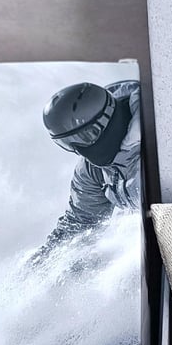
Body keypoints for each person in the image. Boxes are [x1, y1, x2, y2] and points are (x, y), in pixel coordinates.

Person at [32, 78, 141, 262]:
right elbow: (82, 221)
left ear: (107, 120)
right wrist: (42, 261)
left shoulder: (159, 145)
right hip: (137, 242)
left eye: (85, 136)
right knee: (82, 262)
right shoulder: (93, 169)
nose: (81, 150)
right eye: (69, 143)